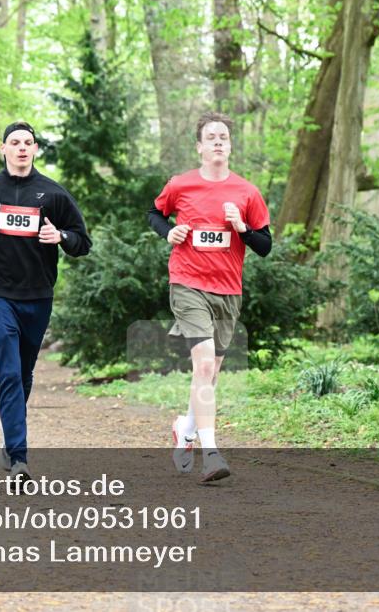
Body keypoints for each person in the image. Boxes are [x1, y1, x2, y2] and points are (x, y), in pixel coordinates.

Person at [0, 121, 91, 481]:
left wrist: (59, 235)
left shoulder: (53, 194)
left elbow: (82, 241)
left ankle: (9, 438)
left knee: (23, 374)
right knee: (9, 372)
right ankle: (19, 458)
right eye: (15, 142)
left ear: (36, 150)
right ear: (3, 149)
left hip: (37, 295)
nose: (22, 148)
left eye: (28, 143)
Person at [148, 111, 272, 483]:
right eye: (211, 137)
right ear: (200, 147)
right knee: (203, 366)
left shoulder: (247, 192)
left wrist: (242, 228)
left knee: (211, 372)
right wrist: (167, 232)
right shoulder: (181, 185)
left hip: (228, 290)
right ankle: (211, 452)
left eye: (224, 137)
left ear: (230, 146)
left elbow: (264, 245)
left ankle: (184, 429)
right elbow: (153, 213)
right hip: (187, 283)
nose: (218, 142)